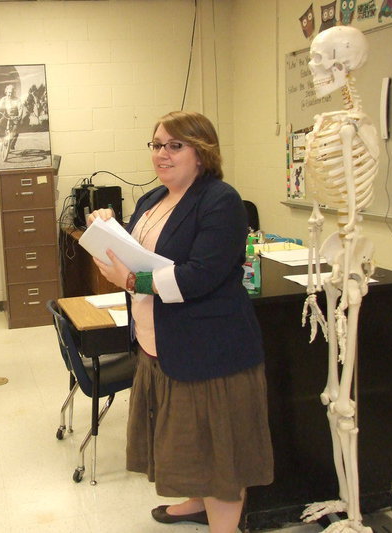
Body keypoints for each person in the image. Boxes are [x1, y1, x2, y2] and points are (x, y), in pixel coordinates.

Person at [87, 111, 273, 533]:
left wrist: (133, 279)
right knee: (189, 441)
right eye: (156, 145)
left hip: (210, 351)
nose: (162, 154)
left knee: (220, 454)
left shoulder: (221, 200)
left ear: (202, 153)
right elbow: (133, 255)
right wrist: (107, 234)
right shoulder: (152, 201)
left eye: (175, 146)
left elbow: (199, 275)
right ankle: (195, 502)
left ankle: (222, 523)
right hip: (162, 344)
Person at [0, 84, 23, 151]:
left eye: (11, 92)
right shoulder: (4, 99)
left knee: (15, 130)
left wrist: (19, 115)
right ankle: (2, 138)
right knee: (0, 123)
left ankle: (12, 145)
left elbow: (20, 108)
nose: (10, 94)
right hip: (6, 115)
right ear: (6, 92)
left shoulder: (17, 100)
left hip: (15, 116)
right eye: (8, 92)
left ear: (13, 92)